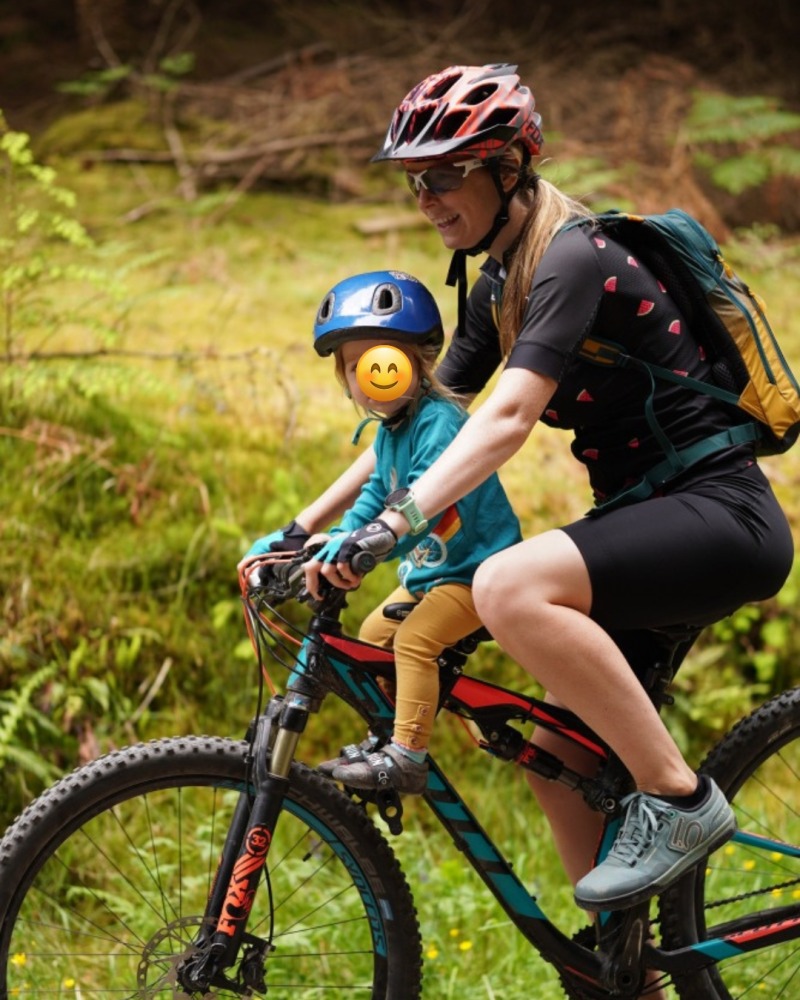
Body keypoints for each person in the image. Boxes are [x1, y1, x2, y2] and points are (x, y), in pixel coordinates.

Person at [301, 63, 794, 923]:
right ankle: (620, 976)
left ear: (508, 168)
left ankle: (678, 799)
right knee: (559, 759)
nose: (427, 199)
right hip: (647, 522)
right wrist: (303, 526)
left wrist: (395, 525)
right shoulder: (498, 284)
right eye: (415, 182)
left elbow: (507, 419)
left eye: (444, 175)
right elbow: (418, 424)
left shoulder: (573, 257)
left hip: (718, 514)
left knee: (506, 586)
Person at [248, 269, 521, 794]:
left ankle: (408, 755)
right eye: (356, 367)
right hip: (431, 577)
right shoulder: (390, 433)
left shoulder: (438, 421)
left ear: (416, 362)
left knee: (414, 642)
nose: (372, 375)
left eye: (384, 360)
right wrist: (338, 538)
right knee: (373, 638)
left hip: (477, 573)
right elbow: (375, 496)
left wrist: (369, 543)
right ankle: (387, 735)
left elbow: (422, 508)